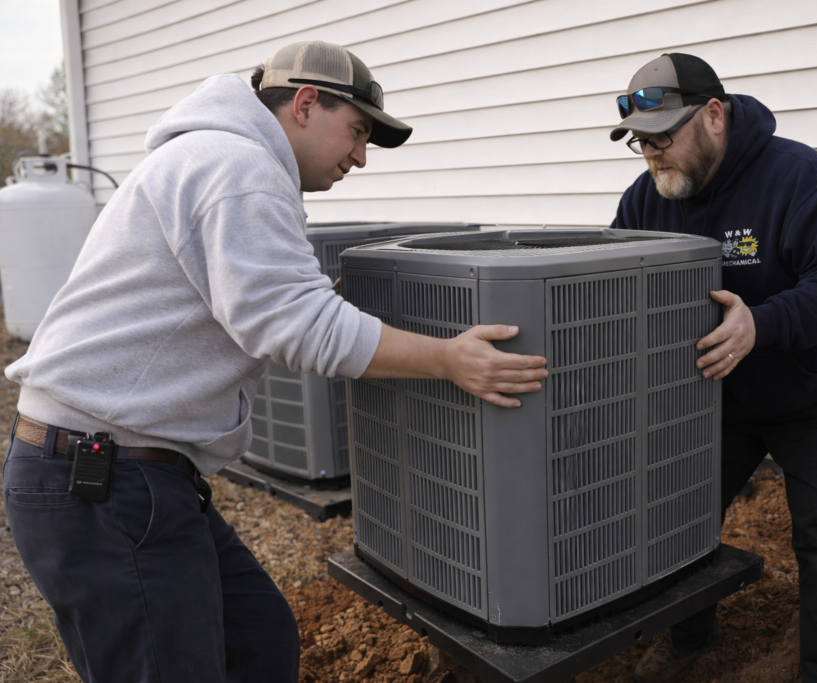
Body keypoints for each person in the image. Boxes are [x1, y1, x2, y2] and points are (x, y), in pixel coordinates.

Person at [2, 41, 547, 683]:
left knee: (258, 640)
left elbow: (259, 309)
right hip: (102, 478)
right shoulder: (238, 166)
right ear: (307, 104)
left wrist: (322, 309)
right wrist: (450, 360)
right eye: (357, 131)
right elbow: (293, 325)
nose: (361, 157)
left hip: (124, 470)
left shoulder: (215, 157)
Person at [609, 53, 817, 683]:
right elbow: (613, 279)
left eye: (664, 138)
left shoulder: (798, 178)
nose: (653, 154)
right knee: (678, 517)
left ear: (713, 115)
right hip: (720, 390)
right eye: (641, 143)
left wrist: (762, 323)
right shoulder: (646, 201)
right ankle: (688, 642)